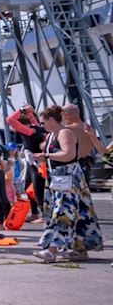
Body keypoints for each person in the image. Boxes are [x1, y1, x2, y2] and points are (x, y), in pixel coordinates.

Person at [34, 106, 102, 262]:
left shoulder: (65, 133)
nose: (41, 125)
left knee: (62, 213)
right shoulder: (53, 135)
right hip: (58, 177)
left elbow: (69, 154)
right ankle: (79, 249)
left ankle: (51, 250)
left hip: (67, 177)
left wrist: (46, 156)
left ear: (51, 120)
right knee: (76, 213)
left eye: (43, 122)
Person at [7, 104, 48, 217]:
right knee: (29, 187)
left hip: (36, 162)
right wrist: (29, 111)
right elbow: (32, 118)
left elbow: (10, 119)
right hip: (33, 162)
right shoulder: (36, 127)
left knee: (37, 187)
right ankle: (35, 213)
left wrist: (22, 110)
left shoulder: (29, 131)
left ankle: (44, 214)